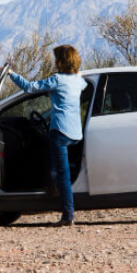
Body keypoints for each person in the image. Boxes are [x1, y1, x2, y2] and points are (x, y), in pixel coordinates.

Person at [8, 44, 85, 227]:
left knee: (63, 175)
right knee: (49, 153)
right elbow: (82, 82)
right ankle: (50, 182)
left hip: (60, 131)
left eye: (56, 58)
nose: (54, 62)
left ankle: (68, 215)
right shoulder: (78, 81)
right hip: (75, 132)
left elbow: (29, 88)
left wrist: (11, 73)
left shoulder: (57, 79)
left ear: (61, 61)